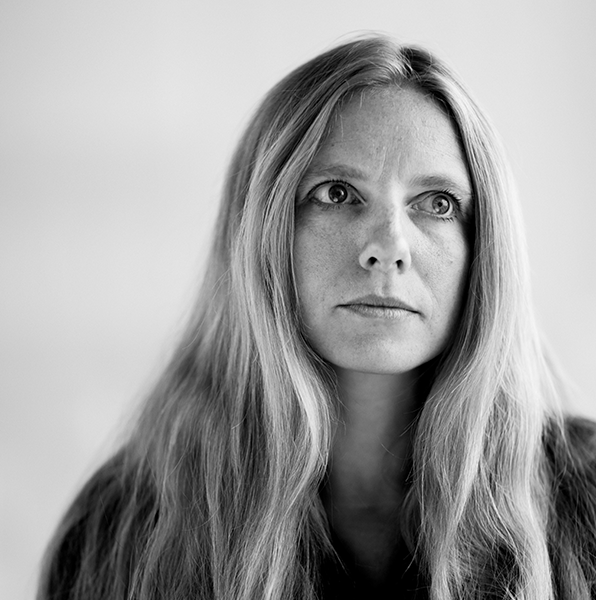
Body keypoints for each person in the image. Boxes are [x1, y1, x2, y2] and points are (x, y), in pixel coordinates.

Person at [37, 34, 596, 600]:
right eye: (336, 193)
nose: (388, 247)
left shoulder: (586, 501)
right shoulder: (122, 531)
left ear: (486, 247)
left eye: (438, 203)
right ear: (263, 231)